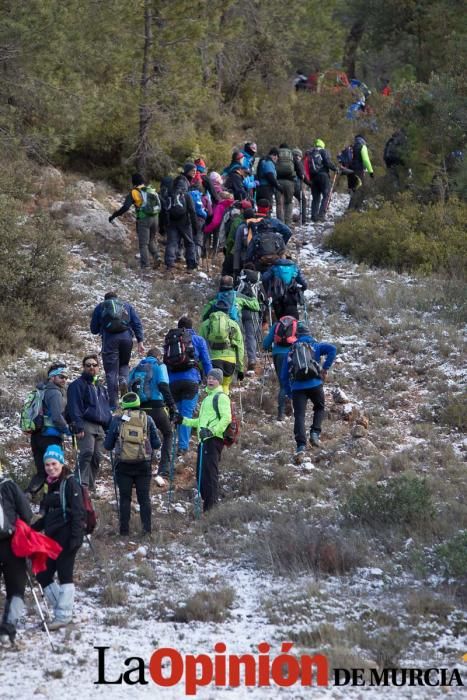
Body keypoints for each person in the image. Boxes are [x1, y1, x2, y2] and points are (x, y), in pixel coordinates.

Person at [33, 444, 86, 629]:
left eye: (54, 463)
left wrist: (75, 539)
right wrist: (33, 528)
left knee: (65, 575)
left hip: (67, 535)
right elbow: (49, 514)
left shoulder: (70, 482)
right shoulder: (50, 483)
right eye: (47, 464)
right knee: (43, 574)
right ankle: (63, 611)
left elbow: (79, 512)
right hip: (52, 537)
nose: (51, 467)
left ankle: (63, 616)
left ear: (62, 463)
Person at [175, 368, 231, 512]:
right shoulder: (207, 398)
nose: (210, 380)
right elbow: (200, 422)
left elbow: (226, 418)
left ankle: (211, 509)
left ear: (219, 381)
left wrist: (212, 431)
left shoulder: (221, 397)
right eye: (209, 377)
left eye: (214, 378)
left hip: (213, 440)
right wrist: (183, 420)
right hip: (203, 440)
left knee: (210, 474)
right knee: (201, 476)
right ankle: (209, 505)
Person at [104, 393, 160, 536]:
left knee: (125, 498)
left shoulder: (117, 420)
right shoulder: (148, 419)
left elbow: (108, 445)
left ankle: (124, 532)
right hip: (143, 464)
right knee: (144, 498)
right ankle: (147, 531)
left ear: (124, 405)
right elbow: (157, 444)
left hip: (123, 465)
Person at [281, 322, 336, 461]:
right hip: (315, 384)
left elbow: (283, 376)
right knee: (319, 407)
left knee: (299, 416)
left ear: (297, 335)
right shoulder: (315, 346)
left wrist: (289, 392)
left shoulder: (291, 350)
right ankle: (315, 433)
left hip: (298, 388)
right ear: (309, 333)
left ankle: (301, 446)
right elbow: (333, 349)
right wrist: (325, 368)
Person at [90, 292, 145, 411]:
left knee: (111, 372)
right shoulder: (127, 306)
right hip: (126, 339)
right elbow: (137, 323)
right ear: (117, 298)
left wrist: (102, 326)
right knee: (124, 364)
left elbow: (93, 329)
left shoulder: (101, 307)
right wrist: (140, 341)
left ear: (106, 299)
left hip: (110, 340)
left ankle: (113, 405)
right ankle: (123, 380)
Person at [166, 317, 212, 455]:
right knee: (186, 414)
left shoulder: (171, 340)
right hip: (191, 381)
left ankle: (174, 446)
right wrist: (212, 379)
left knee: (177, 413)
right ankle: (183, 446)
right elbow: (206, 361)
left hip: (173, 381)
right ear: (192, 327)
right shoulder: (198, 340)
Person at [128, 348, 176, 480]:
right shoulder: (159, 366)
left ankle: (142, 470)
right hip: (157, 408)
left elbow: (127, 386)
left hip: (140, 409)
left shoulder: (137, 368)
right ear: (158, 357)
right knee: (168, 433)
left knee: (143, 437)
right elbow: (163, 386)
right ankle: (164, 469)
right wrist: (172, 407)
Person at [66, 354, 112, 490]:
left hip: (101, 426)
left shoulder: (101, 388)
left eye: (94, 365)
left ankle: (90, 486)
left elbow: (106, 409)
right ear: (84, 368)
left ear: (98, 368)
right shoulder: (77, 385)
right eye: (88, 365)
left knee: (97, 456)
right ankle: (81, 485)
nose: (91, 367)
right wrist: (78, 426)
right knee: (87, 453)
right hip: (85, 424)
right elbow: (74, 406)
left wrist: (109, 427)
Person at [26, 363, 70, 496]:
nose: (64, 380)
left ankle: (26, 496)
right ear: (52, 377)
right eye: (61, 376)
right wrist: (67, 429)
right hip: (50, 437)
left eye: (66, 377)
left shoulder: (42, 390)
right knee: (54, 473)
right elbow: (57, 417)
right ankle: (48, 504)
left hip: (37, 436)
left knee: (42, 472)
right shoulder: (54, 393)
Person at [0, 470, 33, 644]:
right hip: (12, 544)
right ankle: (8, 629)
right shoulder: (8, 485)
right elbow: (27, 513)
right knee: (16, 590)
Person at [108, 173, 161, 270]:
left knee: (143, 244)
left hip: (144, 219)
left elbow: (125, 207)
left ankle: (145, 266)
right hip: (155, 217)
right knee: (151, 240)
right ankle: (157, 256)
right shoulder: (150, 190)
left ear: (133, 182)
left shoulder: (134, 192)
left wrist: (114, 215)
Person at [200, 310, 244, 395]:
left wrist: (201, 367)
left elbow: (200, 347)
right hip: (229, 360)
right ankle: (224, 404)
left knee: (213, 387)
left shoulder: (205, 324)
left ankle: (213, 405)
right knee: (225, 385)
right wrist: (240, 369)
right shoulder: (233, 324)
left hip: (212, 359)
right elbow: (240, 347)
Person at [262, 316, 298, 421]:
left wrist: (268, 347)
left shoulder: (277, 325)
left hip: (278, 355)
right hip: (292, 353)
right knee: (293, 382)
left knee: (283, 384)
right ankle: (295, 409)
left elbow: (266, 343)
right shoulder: (297, 325)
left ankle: (281, 413)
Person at [163, 173, 199, 271]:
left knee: (172, 242)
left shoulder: (169, 194)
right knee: (189, 243)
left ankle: (169, 264)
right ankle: (190, 266)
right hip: (185, 223)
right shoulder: (187, 196)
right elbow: (192, 212)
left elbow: (165, 210)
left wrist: (164, 225)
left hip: (172, 222)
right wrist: (195, 228)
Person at [235, 265, 265, 371]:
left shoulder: (240, 280)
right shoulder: (257, 282)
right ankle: (252, 359)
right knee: (251, 336)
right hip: (253, 312)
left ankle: (239, 361)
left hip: (239, 310)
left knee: (239, 336)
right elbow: (263, 298)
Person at [304, 139, 338, 222]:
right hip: (323, 176)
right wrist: (335, 168)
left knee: (316, 197)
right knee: (326, 195)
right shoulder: (323, 151)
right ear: (322, 145)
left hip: (313, 178)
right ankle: (321, 216)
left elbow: (306, 166)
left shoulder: (310, 153)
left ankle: (314, 216)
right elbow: (327, 162)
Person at [276, 144, 303, 226]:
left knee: (279, 203)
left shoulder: (277, 153)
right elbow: (298, 167)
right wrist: (301, 175)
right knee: (288, 202)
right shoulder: (291, 154)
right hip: (289, 182)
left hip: (277, 181)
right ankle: (288, 223)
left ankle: (280, 223)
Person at [348, 134, 374, 210]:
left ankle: (352, 210)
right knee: (360, 190)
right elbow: (366, 160)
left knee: (354, 190)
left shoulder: (352, 147)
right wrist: (371, 171)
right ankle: (353, 210)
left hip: (350, 172)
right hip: (358, 171)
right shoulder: (362, 147)